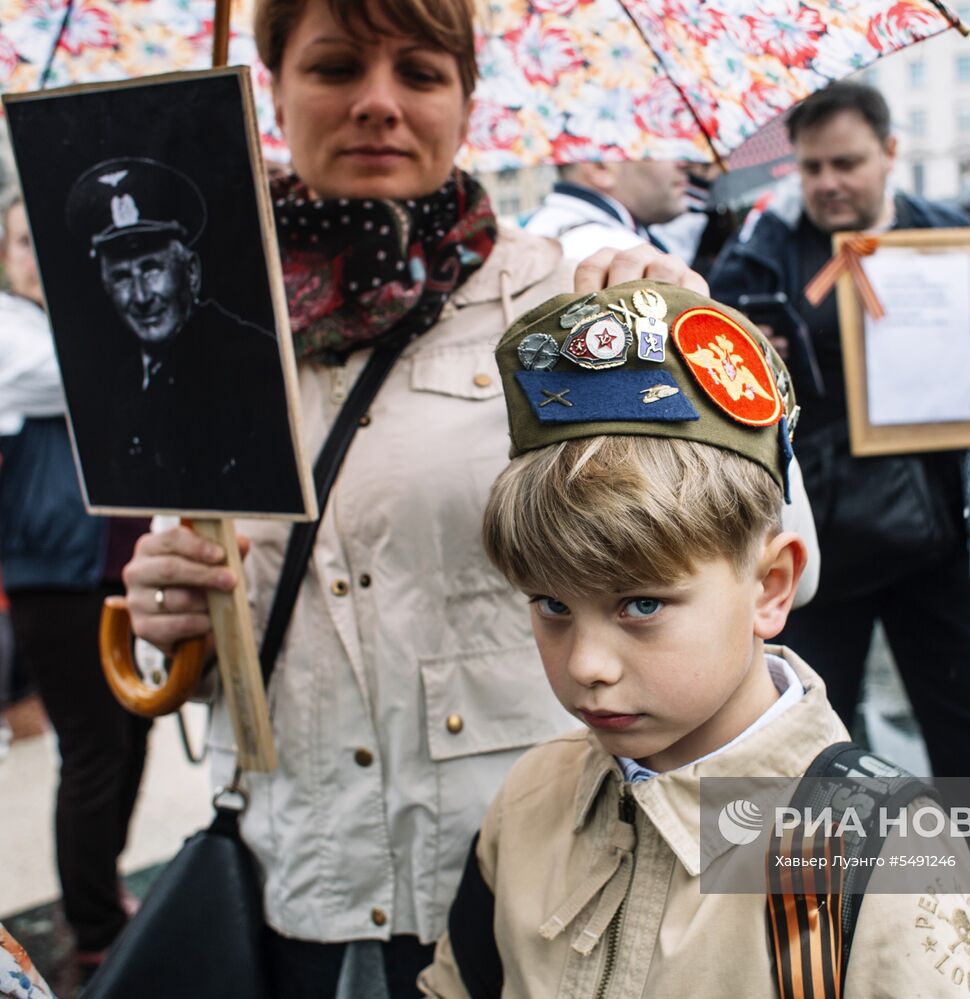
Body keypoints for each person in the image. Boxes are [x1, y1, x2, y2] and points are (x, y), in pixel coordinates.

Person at [120, 0, 708, 994]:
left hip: (521, 884)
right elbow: (200, 596)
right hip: (295, 874)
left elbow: (762, 560)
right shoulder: (196, 321)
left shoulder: (570, 306)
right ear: (273, 88)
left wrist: (685, 365)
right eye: (337, 67)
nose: (378, 104)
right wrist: (162, 614)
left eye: (422, 75)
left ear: (467, 101)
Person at [419, 279, 970, 999]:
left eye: (640, 604)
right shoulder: (531, 794)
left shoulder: (881, 853)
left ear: (769, 586)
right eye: (551, 604)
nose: (586, 665)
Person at [708, 81, 970, 942]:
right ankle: (829, 888)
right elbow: (715, 363)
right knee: (812, 723)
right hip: (816, 546)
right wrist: (750, 348)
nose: (828, 182)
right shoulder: (763, 254)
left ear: (890, 153)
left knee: (965, 710)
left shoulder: (953, 239)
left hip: (938, 530)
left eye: (847, 163)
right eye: (812, 166)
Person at [0, 191, 148, 977]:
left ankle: (103, 886)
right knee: (93, 749)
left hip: (115, 563)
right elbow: (87, 376)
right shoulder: (11, 333)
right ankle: (92, 923)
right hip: (52, 574)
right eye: (20, 241)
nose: (31, 257)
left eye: (42, 243)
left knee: (132, 736)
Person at [62, 158, 302, 512]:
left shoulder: (250, 361)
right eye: (123, 277)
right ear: (105, 287)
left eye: (152, 268)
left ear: (190, 272)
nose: (142, 296)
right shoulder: (118, 380)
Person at [524, 159, 692, 260]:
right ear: (600, 167)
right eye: (659, 146)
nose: (684, 163)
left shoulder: (540, 229)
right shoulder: (619, 252)